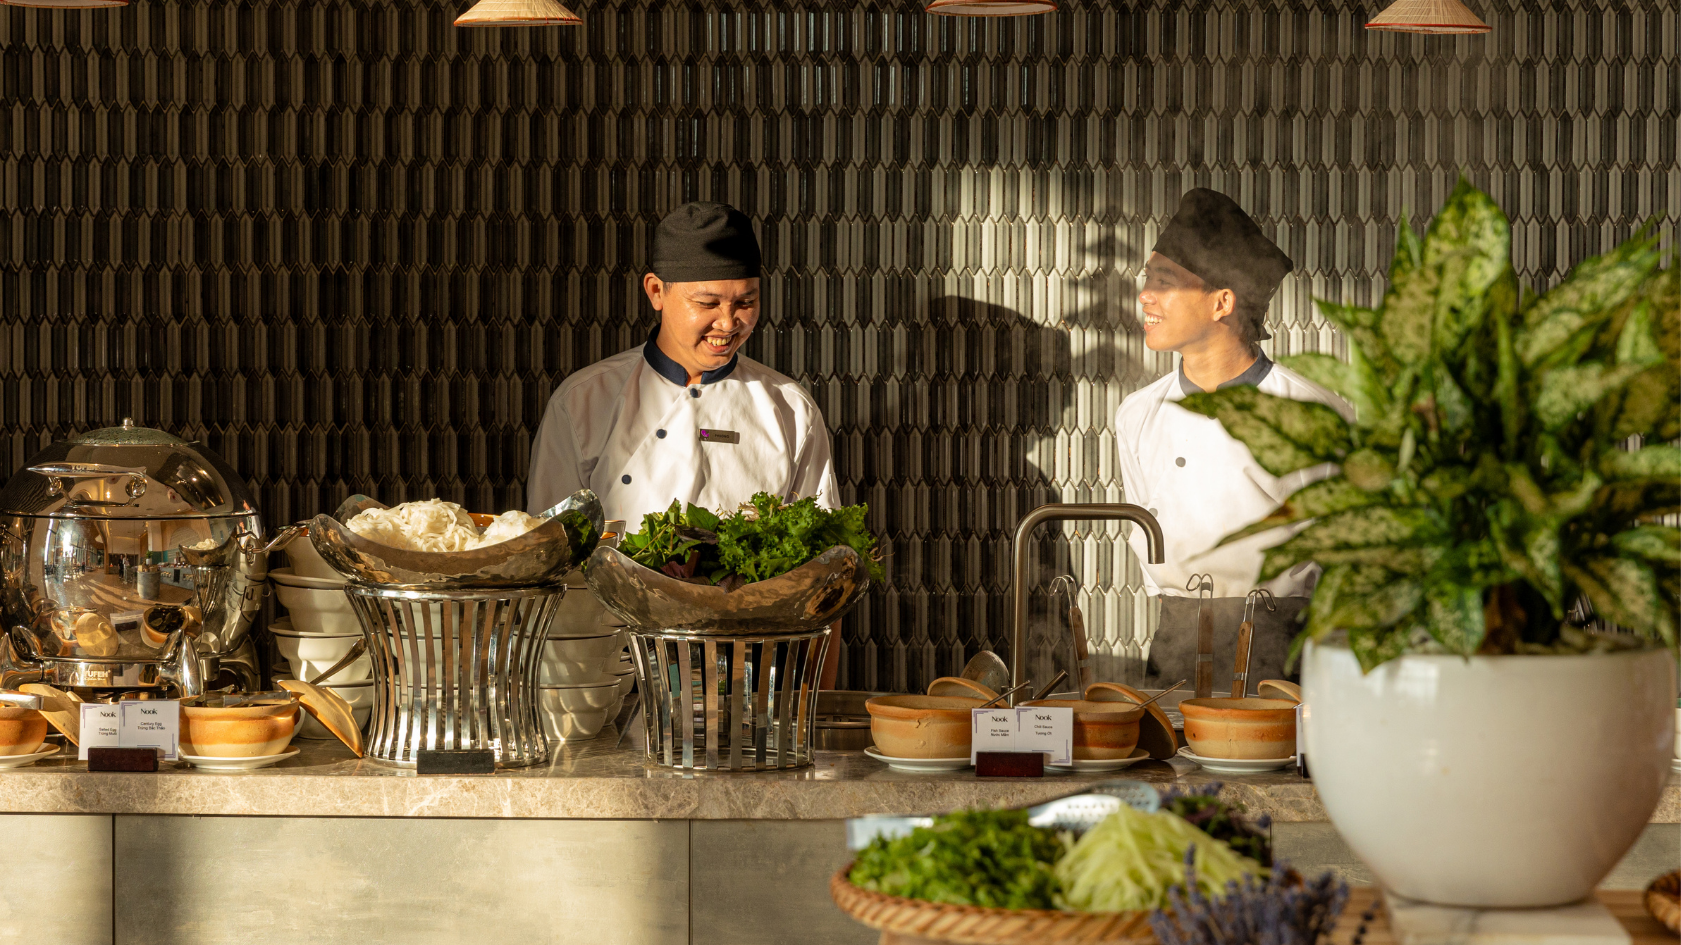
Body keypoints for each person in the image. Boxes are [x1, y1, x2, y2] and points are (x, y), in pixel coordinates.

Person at [1114, 188, 1355, 688]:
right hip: (1175, 644)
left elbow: (1348, 553)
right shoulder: (1137, 415)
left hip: (1281, 653)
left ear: (1222, 301)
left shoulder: (1310, 410)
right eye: (1147, 280)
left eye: (1165, 282)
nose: (1145, 297)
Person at [526, 202, 839, 526]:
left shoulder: (791, 409)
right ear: (656, 291)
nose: (729, 323)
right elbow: (552, 551)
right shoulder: (582, 401)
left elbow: (818, 549)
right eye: (708, 303)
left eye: (746, 302)